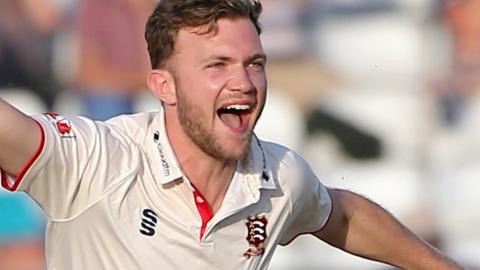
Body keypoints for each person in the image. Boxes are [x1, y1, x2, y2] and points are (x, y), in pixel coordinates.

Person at [0, 1, 464, 269]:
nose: (243, 82)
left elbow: (340, 214)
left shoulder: (279, 178)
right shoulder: (97, 159)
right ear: (165, 85)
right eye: (217, 65)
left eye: (253, 64)